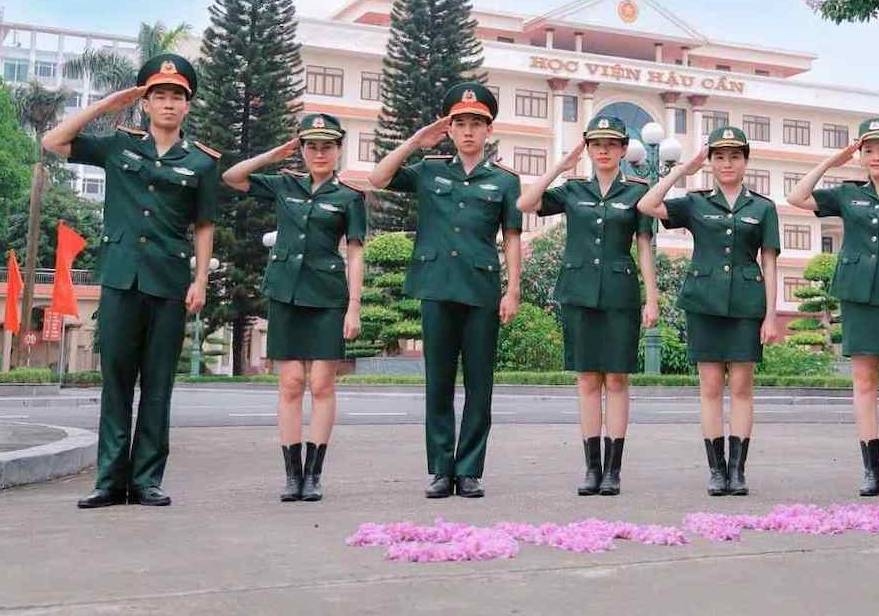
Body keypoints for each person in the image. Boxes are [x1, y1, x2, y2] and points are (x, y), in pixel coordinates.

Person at [41, 54, 220, 508]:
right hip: (122, 279)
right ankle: (109, 481)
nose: (168, 103)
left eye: (176, 96)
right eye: (159, 95)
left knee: (158, 385)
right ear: (145, 103)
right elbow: (52, 141)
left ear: (187, 105)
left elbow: (204, 225)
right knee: (116, 382)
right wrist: (106, 106)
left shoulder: (201, 162)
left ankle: (146, 481)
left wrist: (200, 279)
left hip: (169, 282)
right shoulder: (118, 146)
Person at [368, 82, 522, 499]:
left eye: (476, 124)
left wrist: (513, 290)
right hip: (436, 286)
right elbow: (377, 178)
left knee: (479, 384)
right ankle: (440, 469)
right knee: (438, 382)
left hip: (481, 290)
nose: (469, 131)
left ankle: (469, 470)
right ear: (449, 129)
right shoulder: (429, 170)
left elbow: (511, 237)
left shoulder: (505, 181)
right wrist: (416, 141)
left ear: (489, 130)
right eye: (461, 123)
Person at [222, 113, 367, 502]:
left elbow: (355, 253)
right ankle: (292, 476)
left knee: (321, 384)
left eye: (327, 146)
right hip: (286, 294)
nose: (319, 153)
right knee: (289, 384)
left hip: (327, 297)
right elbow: (232, 177)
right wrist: (274, 155)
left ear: (338, 151)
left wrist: (354, 306)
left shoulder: (350, 197)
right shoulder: (284, 184)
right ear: (301, 150)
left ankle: (314, 476)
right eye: (312, 146)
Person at [787, 117, 879, 497]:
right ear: (860, 155)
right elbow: (796, 197)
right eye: (869, 150)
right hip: (857, 296)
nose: (876, 156)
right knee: (864, 380)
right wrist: (831, 162)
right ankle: (871, 471)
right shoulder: (847, 194)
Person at [516, 116, 659, 496]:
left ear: (623, 150)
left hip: (620, 293)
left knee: (617, 379)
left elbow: (644, 244)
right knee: (587, 380)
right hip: (578, 291)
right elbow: (525, 203)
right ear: (588, 149)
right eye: (597, 144)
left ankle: (613, 470)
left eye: (611, 144)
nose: (604, 151)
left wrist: (652, 297)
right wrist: (559, 167)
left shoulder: (637, 192)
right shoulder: (573, 189)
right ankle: (592, 469)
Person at [638, 126, 781, 496]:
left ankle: (738, 471)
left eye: (734, 156)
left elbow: (769, 262)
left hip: (747, 305)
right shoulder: (696, 202)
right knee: (711, 387)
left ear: (745, 161)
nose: (727, 163)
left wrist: (771, 315)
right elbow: (647, 205)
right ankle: (717, 471)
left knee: (742, 387)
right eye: (719, 157)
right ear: (711, 163)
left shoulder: (763, 208)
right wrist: (682, 171)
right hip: (704, 303)